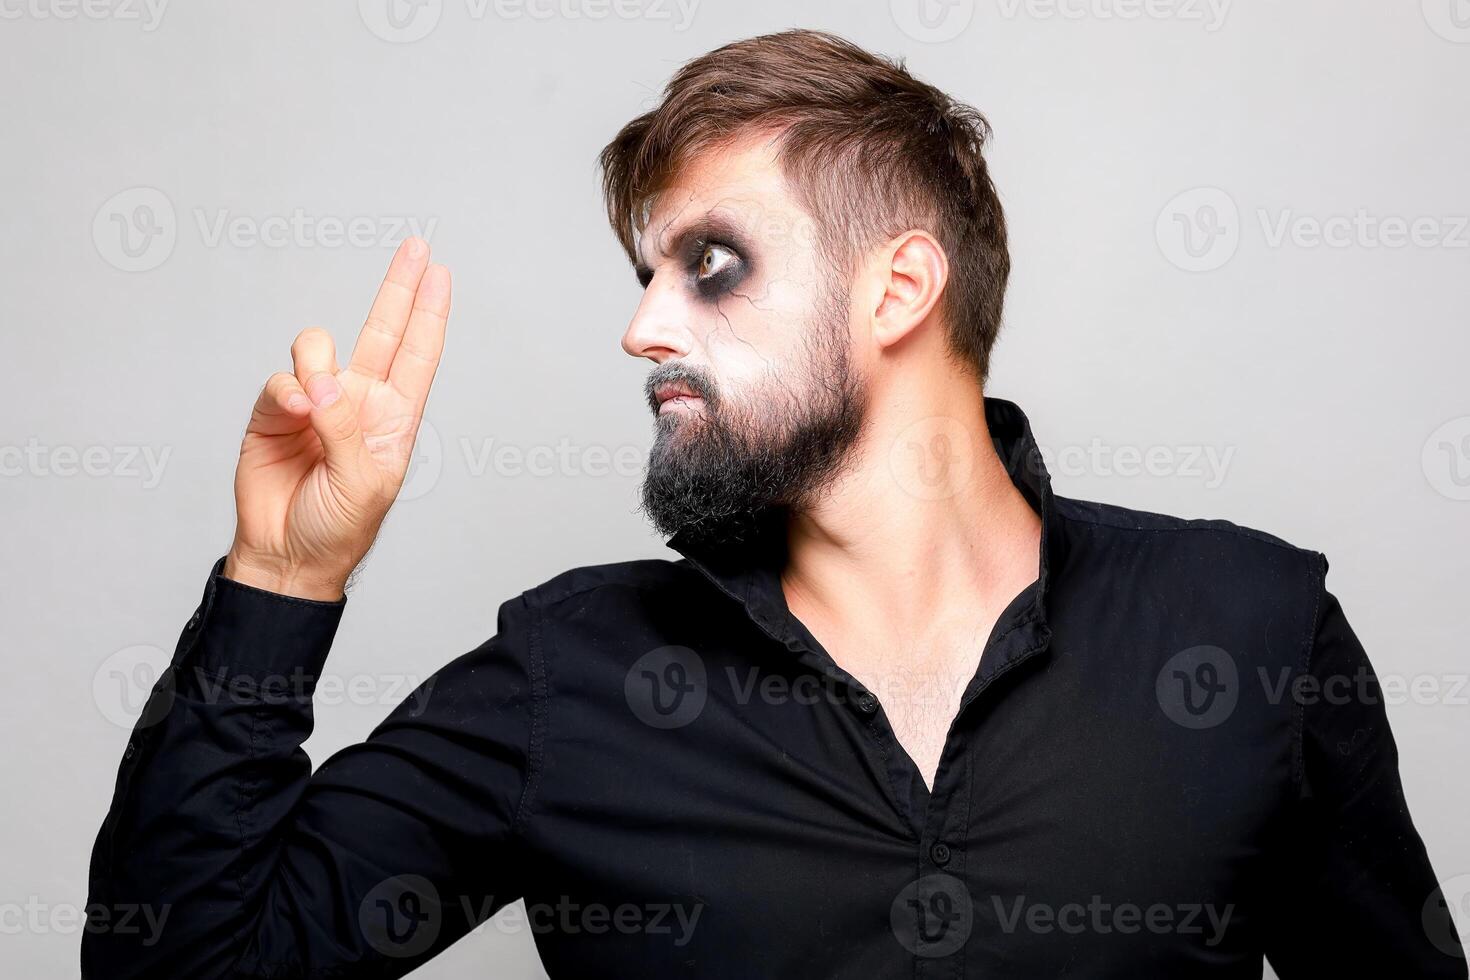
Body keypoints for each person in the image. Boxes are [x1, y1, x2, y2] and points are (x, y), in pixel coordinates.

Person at [83, 29, 1465, 979]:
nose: (641, 330)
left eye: (712, 265)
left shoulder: (1249, 630)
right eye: (642, 274)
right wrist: (283, 575)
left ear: (899, 290)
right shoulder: (571, 675)